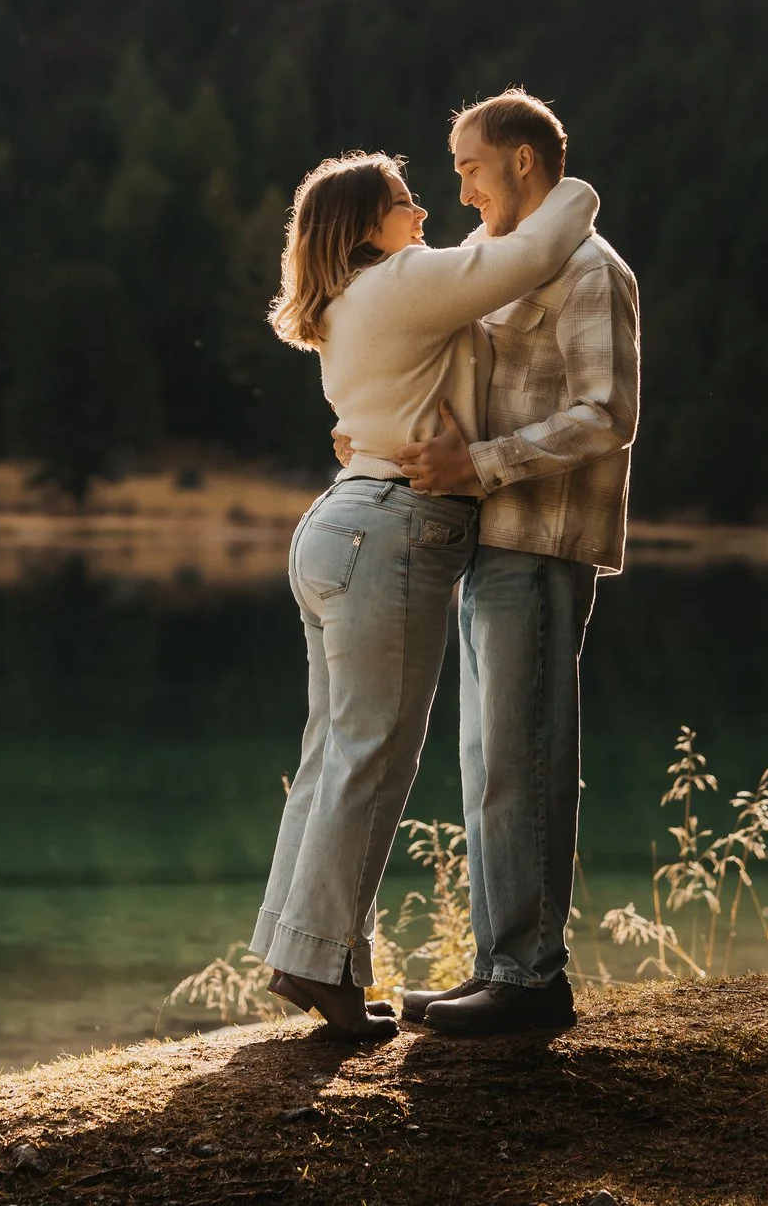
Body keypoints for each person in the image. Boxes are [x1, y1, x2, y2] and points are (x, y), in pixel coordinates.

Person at [253, 149, 600, 1040]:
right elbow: (529, 254)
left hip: (341, 525)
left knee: (334, 749)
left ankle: (300, 947)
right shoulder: (403, 280)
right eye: (406, 201)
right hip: (391, 530)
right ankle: (322, 961)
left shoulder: (346, 301)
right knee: (373, 754)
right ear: (368, 225)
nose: (424, 213)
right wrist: (577, 188)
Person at [383, 91, 641, 1038]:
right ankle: (499, 965)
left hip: (541, 543)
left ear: (522, 160)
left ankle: (533, 982)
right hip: (490, 543)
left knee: (525, 757)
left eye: (470, 168)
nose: (461, 190)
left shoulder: (589, 269)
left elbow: (607, 413)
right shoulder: (508, 264)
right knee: (489, 762)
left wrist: (478, 464)